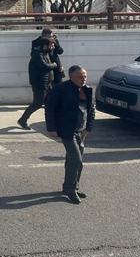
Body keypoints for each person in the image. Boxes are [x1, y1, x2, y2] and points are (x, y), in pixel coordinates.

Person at [45, 65, 94, 204]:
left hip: (81, 130)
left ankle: (70, 187)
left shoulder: (88, 90)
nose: (83, 79)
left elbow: (91, 109)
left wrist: (88, 127)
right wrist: (51, 128)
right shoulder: (60, 89)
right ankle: (71, 190)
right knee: (76, 160)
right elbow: (50, 109)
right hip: (67, 130)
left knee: (72, 161)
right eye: (80, 77)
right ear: (71, 77)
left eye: (85, 76)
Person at [18, 37, 59, 129]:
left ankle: (54, 122)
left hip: (47, 83)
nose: (53, 48)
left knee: (52, 102)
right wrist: (54, 65)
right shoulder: (37, 55)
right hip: (39, 84)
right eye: (51, 46)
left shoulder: (45, 53)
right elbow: (44, 66)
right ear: (45, 46)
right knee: (37, 104)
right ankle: (23, 120)